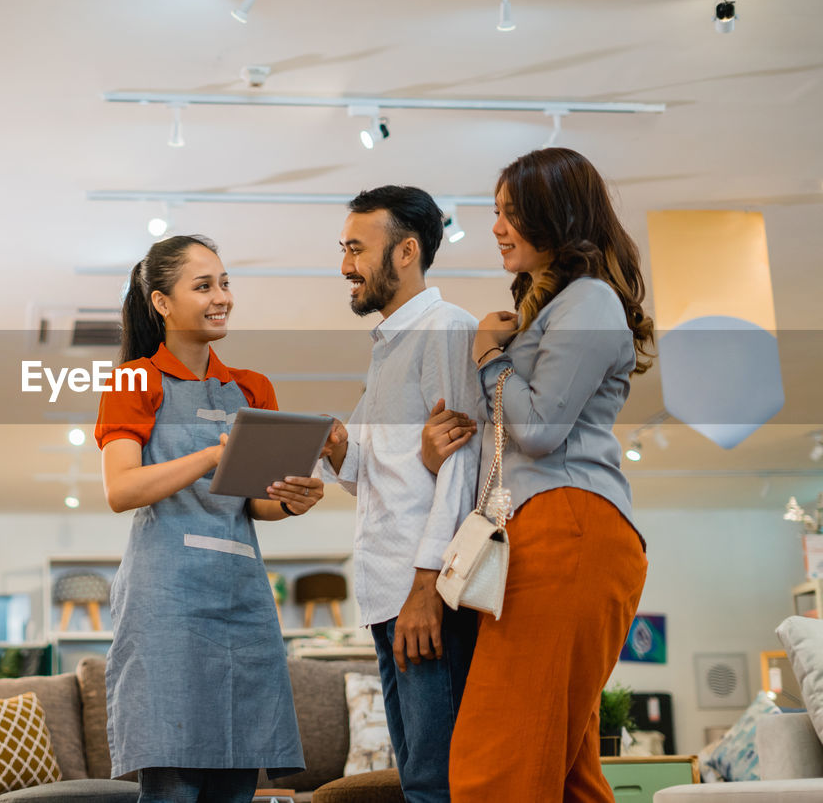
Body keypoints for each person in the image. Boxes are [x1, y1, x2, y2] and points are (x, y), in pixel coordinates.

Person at [423, 147, 654, 802]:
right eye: (495, 212)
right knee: (567, 771)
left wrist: (491, 357)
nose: (497, 226)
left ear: (557, 216)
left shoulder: (589, 301)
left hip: (568, 527)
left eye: (512, 213)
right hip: (554, 530)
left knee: (494, 762)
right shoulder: (557, 306)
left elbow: (540, 430)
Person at [95, 234, 328, 803]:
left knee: (236, 780)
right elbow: (121, 489)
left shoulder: (253, 388)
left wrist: (293, 498)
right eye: (203, 286)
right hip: (167, 602)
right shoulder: (134, 381)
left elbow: (256, 501)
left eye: (225, 283)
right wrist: (209, 454)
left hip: (242, 601)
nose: (221, 296)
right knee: (174, 783)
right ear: (162, 303)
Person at [317, 185, 481, 803]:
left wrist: (424, 591)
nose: (345, 267)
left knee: (438, 785)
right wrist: (337, 446)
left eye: (356, 249)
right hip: (388, 597)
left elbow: (460, 471)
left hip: (424, 594)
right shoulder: (389, 346)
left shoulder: (447, 329)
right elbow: (368, 472)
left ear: (406, 250)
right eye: (344, 249)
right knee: (418, 780)